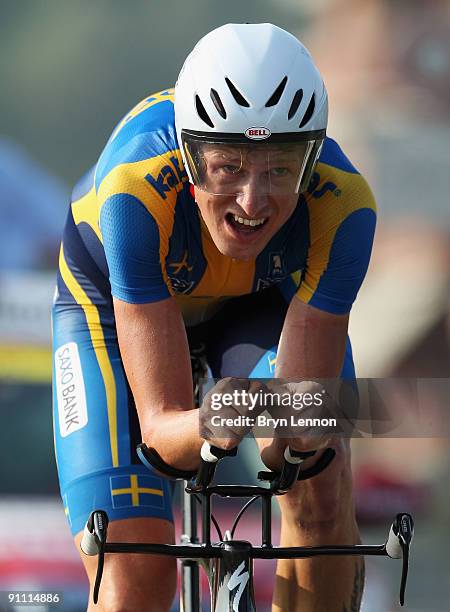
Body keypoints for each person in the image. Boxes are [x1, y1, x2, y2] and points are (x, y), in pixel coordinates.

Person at [52, 23, 376, 611]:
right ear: (189, 156)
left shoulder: (346, 206)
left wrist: (286, 425)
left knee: (320, 481)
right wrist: (217, 414)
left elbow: (295, 437)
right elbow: (162, 434)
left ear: (310, 163)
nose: (253, 203)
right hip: (109, 304)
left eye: (280, 170)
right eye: (229, 167)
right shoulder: (132, 194)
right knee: (133, 577)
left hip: (259, 301)